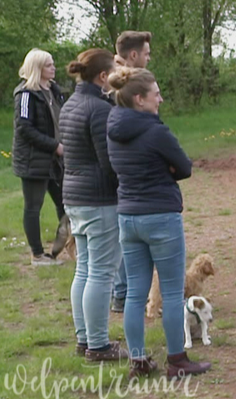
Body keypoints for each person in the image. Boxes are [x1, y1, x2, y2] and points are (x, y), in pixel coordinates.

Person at [106, 66, 210, 378]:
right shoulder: (156, 131)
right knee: (171, 289)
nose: (161, 99)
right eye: (156, 94)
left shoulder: (112, 128)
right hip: (161, 217)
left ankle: (138, 360)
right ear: (139, 99)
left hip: (128, 216)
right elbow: (185, 167)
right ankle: (177, 360)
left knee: (135, 294)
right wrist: (166, 171)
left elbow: (119, 169)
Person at [60, 49, 126, 361]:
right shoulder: (98, 110)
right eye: (114, 71)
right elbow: (109, 161)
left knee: (85, 270)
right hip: (98, 200)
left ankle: (84, 339)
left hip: (74, 197)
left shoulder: (71, 103)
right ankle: (98, 345)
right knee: (101, 273)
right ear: (103, 77)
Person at [109, 29, 152, 313]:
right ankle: (122, 293)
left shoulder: (127, 81)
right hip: (122, 175)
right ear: (134, 55)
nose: (149, 58)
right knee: (124, 239)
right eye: (147, 53)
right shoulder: (116, 86)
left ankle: (125, 292)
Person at [12, 48, 67, 266]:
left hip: (56, 161)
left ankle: (60, 248)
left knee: (67, 204)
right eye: (48, 65)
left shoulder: (55, 91)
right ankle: (37, 254)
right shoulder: (25, 94)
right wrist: (54, 146)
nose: (53, 68)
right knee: (33, 207)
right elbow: (24, 128)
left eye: (52, 64)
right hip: (34, 160)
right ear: (37, 68)